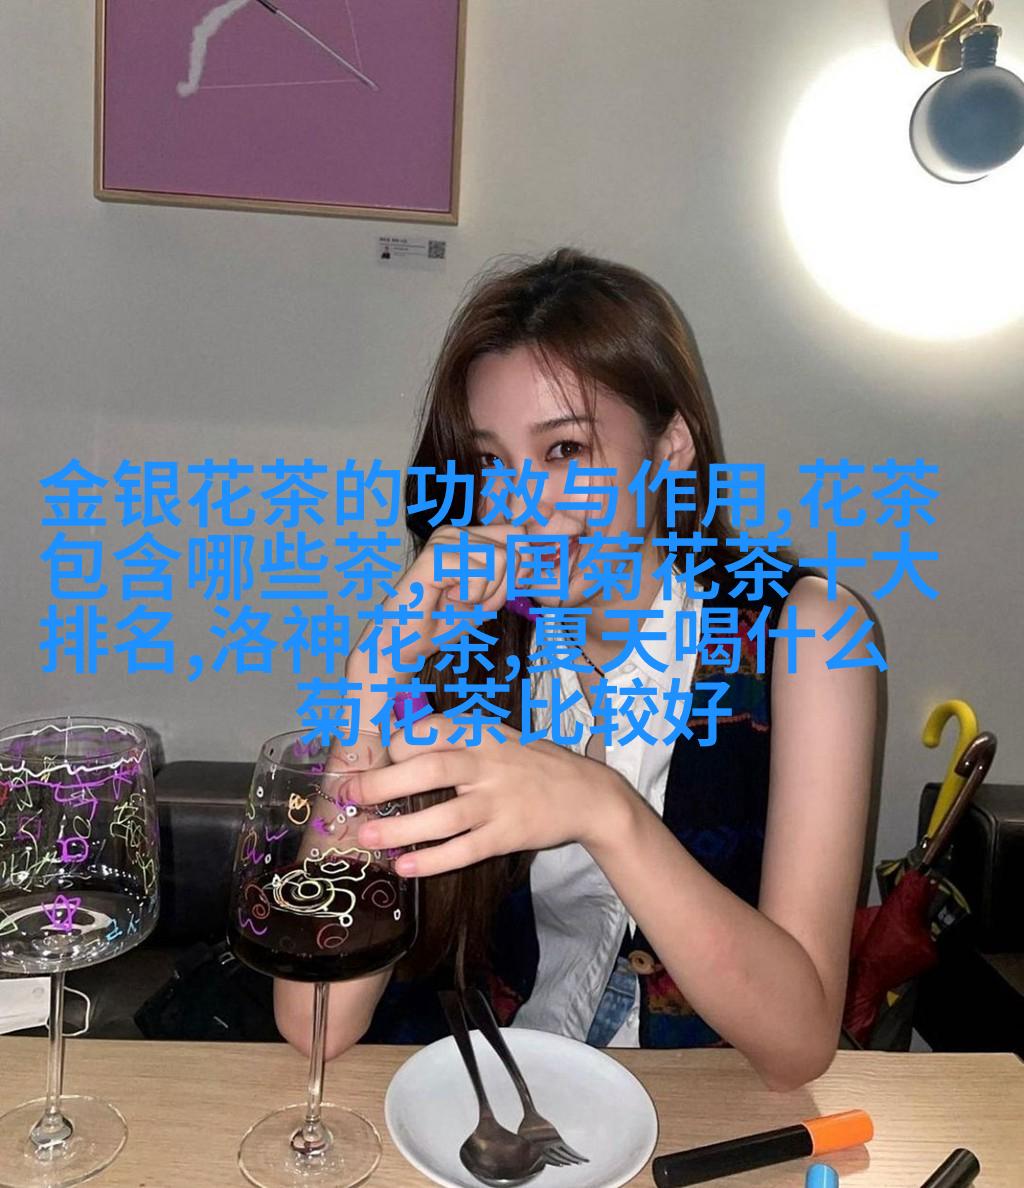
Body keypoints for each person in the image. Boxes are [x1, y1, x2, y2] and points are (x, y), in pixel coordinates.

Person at [275, 247, 879, 1092]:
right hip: (501, 1095)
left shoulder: (803, 633)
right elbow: (316, 1019)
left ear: (670, 447)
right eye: (492, 463)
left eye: (564, 450)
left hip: (711, 1103)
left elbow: (800, 1043)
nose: (521, 506)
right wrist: (373, 683)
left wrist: (605, 809)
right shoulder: (475, 639)